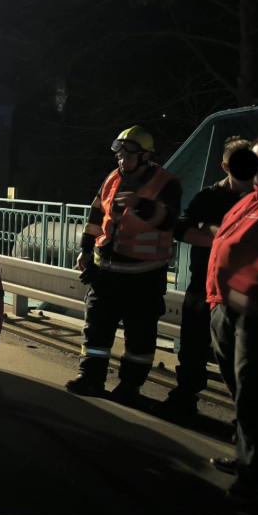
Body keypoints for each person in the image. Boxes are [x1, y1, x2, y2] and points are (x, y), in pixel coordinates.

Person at [66, 125, 182, 405]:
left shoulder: (167, 183)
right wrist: (85, 251)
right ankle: (91, 378)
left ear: (145, 156)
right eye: (119, 155)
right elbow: (96, 215)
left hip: (144, 277)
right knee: (96, 329)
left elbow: (169, 221)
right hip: (105, 272)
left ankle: (130, 385)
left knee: (139, 336)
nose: (122, 160)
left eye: (129, 155)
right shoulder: (113, 178)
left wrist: (140, 203)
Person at [155, 137, 255, 421]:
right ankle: (185, 398)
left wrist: (219, 235)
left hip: (244, 290)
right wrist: (215, 239)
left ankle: (244, 420)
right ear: (226, 166)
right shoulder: (210, 196)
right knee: (194, 347)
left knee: (243, 357)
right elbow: (181, 226)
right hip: (205, 284)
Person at [206, 136, 258, 505]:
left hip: (256, 315)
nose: (256, 168)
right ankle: (247, 457)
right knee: (241, 391)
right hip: (227, 307)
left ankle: (255, 478)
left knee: (255, 395)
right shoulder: (250, 202)